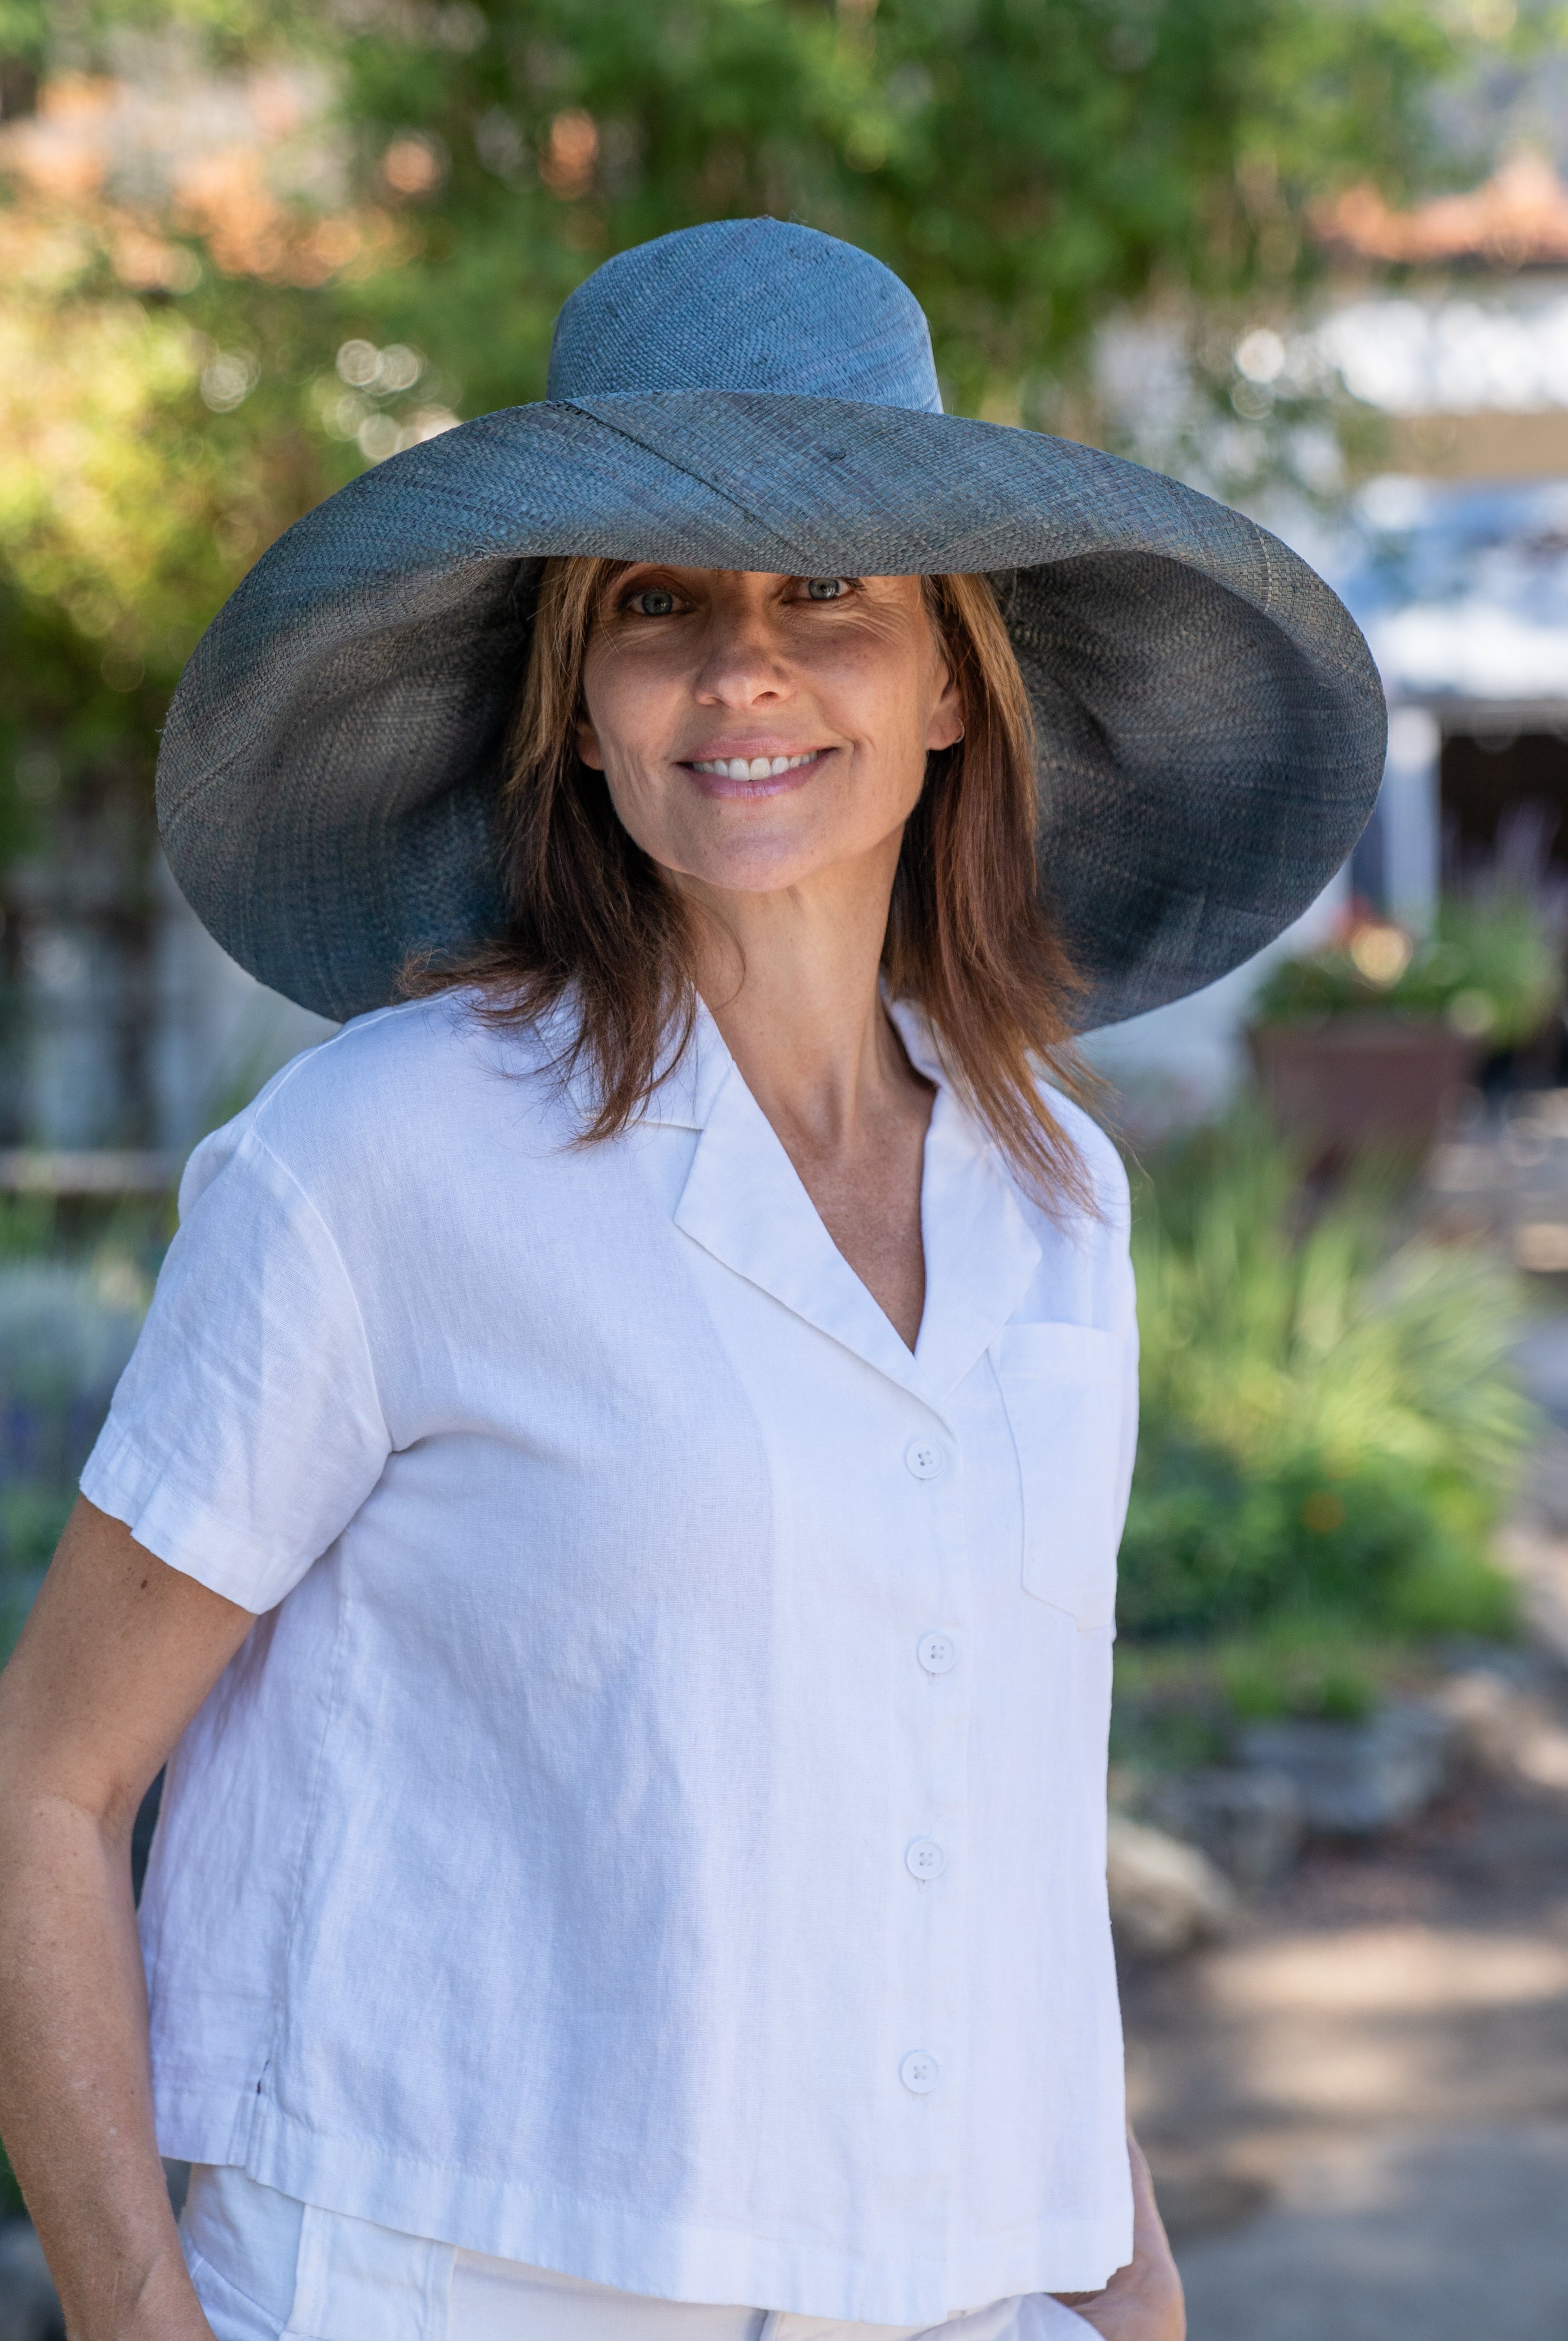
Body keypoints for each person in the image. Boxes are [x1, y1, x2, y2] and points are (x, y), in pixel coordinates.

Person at [0, 220, 1384, 2341]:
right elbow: (50, 1779)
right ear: (576, 708)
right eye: (658, 604)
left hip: (957, 2290)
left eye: (829, 595)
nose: (743, 669)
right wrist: (135, 2321)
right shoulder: (380, 1158)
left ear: (950, 683)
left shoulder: (1057, 1203)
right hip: (450, 2282)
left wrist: (1128, 2282)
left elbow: (994, 1808)